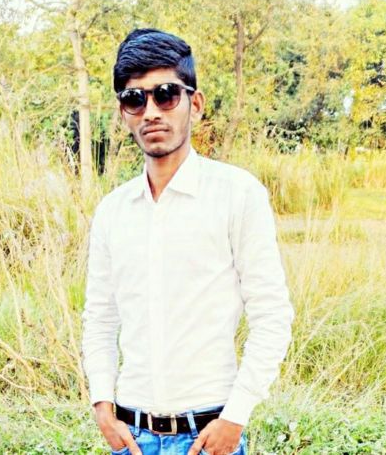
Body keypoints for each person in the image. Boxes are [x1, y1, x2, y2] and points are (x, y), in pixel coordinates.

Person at [81, 28, 294, 455]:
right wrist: (102, 404)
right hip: (132, 437)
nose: (151, 112)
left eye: (165, 95)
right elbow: (100, 317)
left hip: (209, 435)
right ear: (123, 112)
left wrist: (235, 417)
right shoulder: (113, 210)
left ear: (194, 104)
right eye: (135, 99)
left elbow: (272, 314)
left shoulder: (237, 194)